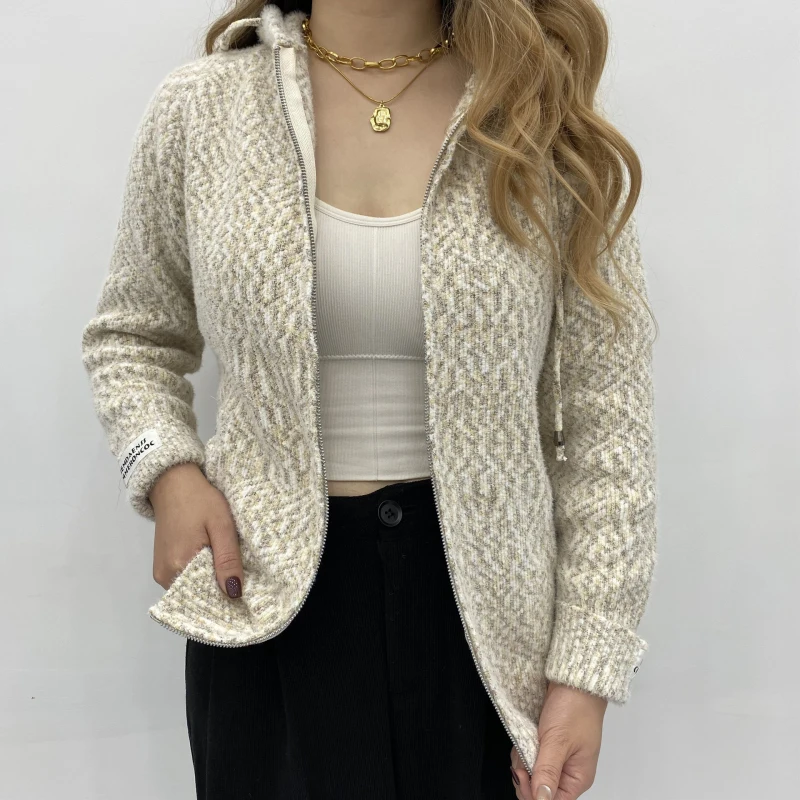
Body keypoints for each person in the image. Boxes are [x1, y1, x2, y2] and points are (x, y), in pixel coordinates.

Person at [80, 1, 658, 798]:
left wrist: (586, 668)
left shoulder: (536, 117)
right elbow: (131, 338)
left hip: (486, 640)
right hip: (265, 606)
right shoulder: (201, 108)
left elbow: (608, 425)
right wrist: (167, 472)